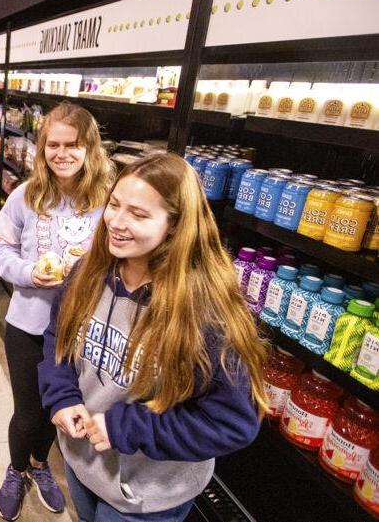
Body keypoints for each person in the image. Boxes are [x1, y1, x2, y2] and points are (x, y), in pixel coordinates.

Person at [39, 152, 269, 522]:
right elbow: (57, 339)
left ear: (176, 226)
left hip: (146, 495)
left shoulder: (204, 313)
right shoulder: (88, 273)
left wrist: (124, 427)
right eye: (114, 205)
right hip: (83, 462)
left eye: (139, 214)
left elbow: (232, 423)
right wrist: (62, 397)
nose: (116, 221)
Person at [0, 103, 113, 521]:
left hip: (79, 330)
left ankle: (41, 466)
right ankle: (16, 468)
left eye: (72, 145)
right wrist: (26, 272)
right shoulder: (28, 195)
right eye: (53, 145)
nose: (62, 154)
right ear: (42, 149)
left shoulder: (107, 201)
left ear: (89, 148)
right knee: (27, 412)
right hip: (28, 324)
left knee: (56, 410)